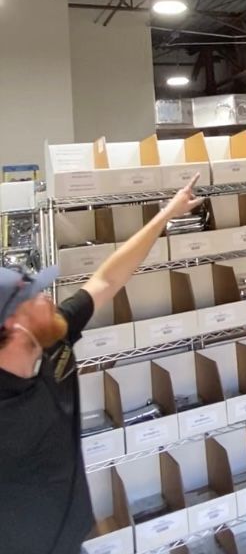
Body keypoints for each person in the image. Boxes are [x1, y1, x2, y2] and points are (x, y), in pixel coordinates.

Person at [0, 176, 203, 554]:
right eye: (34, 297)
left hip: (72, 539)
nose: (47, 296)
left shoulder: (54, 336)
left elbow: (107, 278)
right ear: (15, 325)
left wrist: (168, 213)